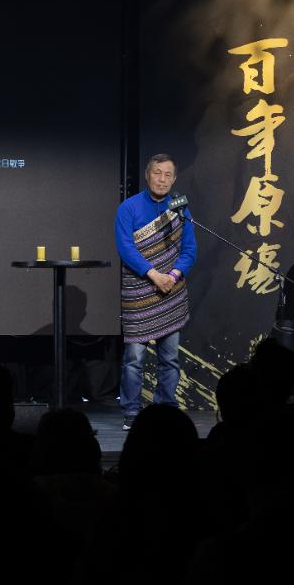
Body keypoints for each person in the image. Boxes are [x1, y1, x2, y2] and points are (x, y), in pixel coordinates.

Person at [114, 153, 196, 430]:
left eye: (168, 175)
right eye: (157, 173)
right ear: (147, 175)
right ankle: (131, 411)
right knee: (134, 359)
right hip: (139, 292)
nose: (162, 179)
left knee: (169, 358)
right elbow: (125, 248)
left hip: (171, 291)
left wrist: (172, 275)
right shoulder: (129, 208)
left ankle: (165, 409)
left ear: (174, 179)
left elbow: (189, 250)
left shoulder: (180, 208)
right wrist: (153, 275)